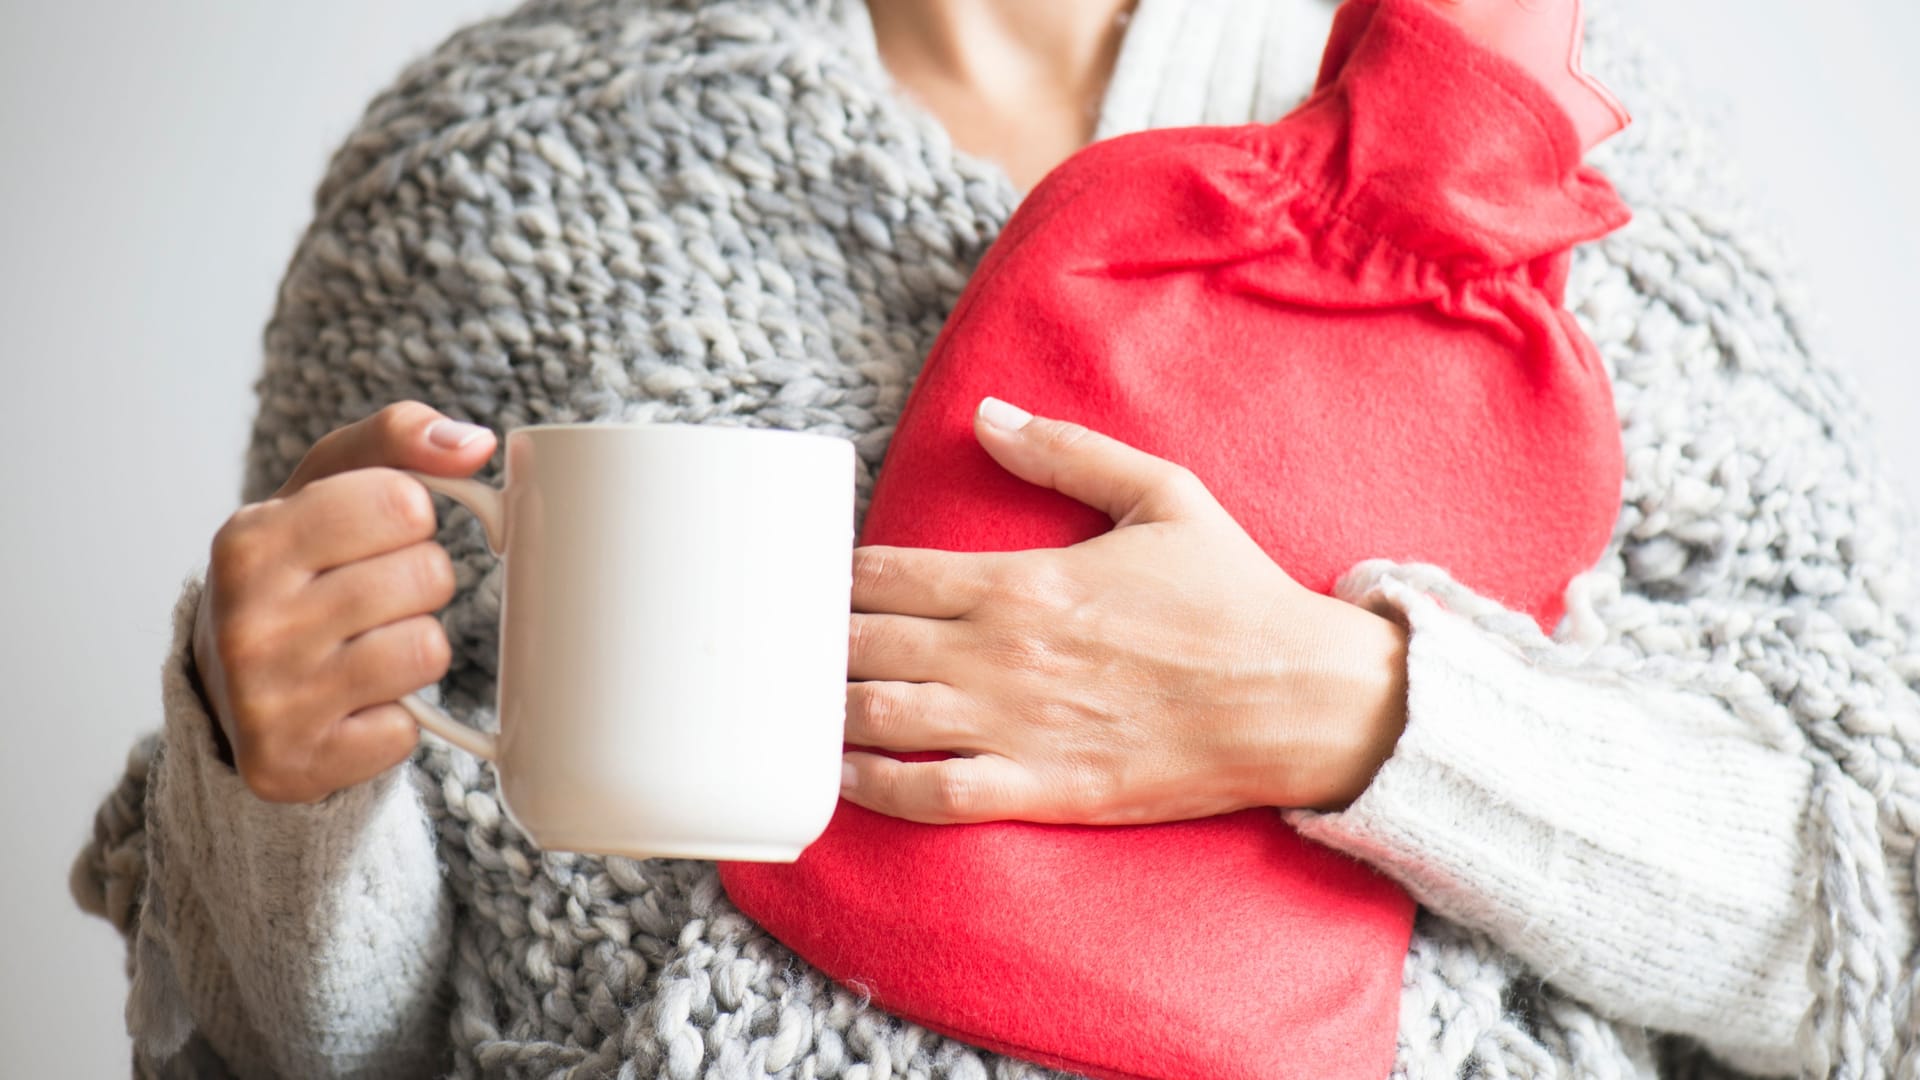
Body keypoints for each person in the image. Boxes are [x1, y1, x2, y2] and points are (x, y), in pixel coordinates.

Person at [70, 0, 1920, 1077]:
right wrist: (283, 791)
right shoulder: (491, 167)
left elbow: (1877, 922)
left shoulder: (1539, 136)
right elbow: (291, 1049)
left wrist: (1348, 712)